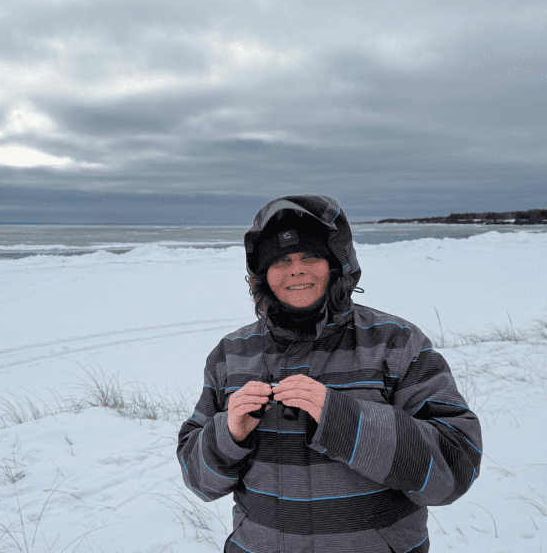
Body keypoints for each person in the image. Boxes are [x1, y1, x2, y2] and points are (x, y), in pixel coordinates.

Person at [176, 194, 482, 553]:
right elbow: (199, 482)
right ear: (262, 274)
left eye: (310, 256)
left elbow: (455, 468)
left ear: (337, 263)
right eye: (280, 260)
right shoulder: (231, 354)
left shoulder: (396, 343)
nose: (296, 270)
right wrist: (229, 433)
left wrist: (344, 422)